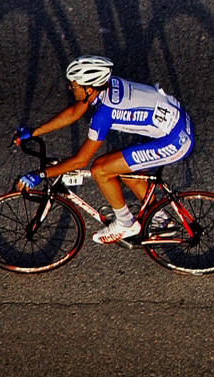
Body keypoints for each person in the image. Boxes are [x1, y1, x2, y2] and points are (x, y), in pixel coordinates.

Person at [12, 55, 193, 245]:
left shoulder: (103, 115)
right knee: (120, 166)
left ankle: (125, 223)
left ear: (88, 89)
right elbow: (75, 112)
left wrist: (40, 174)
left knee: (100, 169)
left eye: (74, 85)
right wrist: (35, 131)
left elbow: (81, 161)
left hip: (175, 141)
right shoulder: (105, 85)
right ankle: (160, 219)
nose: (70, 88)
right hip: (176, 123)